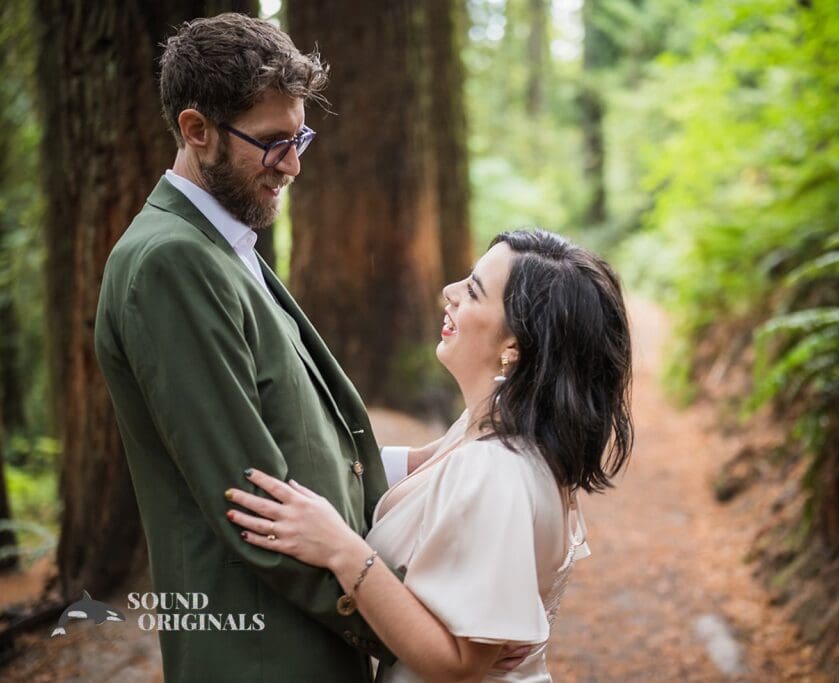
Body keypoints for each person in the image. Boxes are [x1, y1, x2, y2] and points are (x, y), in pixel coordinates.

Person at [93, 13, 436, 682]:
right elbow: (255, 503)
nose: (294, 164)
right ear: (197, 130)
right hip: (260, 654)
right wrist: (411, 628)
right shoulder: (169, 263)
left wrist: (404, 465)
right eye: (274, 142)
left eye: (299, 137)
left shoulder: (222, 246)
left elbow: (289, 431)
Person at [226, 229, 635, 682]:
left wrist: (339, 548)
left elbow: (459, 666)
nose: (449, 291)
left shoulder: (495, 469)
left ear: (513, 345)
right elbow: (418, 472)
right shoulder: (493, 429)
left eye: (474, 291)